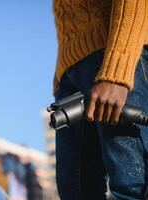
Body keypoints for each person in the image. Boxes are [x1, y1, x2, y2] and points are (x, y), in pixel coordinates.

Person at [53, 0, 148, 199]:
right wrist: (62, 76)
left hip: (117, 53)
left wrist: (118, 67)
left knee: (133, 188)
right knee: (75, 192)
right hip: (71, 68)